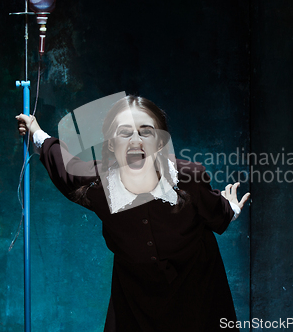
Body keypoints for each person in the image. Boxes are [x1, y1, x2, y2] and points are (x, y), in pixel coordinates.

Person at [16, 95, 250, 332]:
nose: (135, 140)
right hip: (134, 297)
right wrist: (35, 132)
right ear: (110, 144)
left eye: (146, 132)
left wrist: (231, 207)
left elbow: (217, 215)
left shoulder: (189, 177)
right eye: (125, 133)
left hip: (197, 288)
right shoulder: (95, 184)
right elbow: (62, 165)